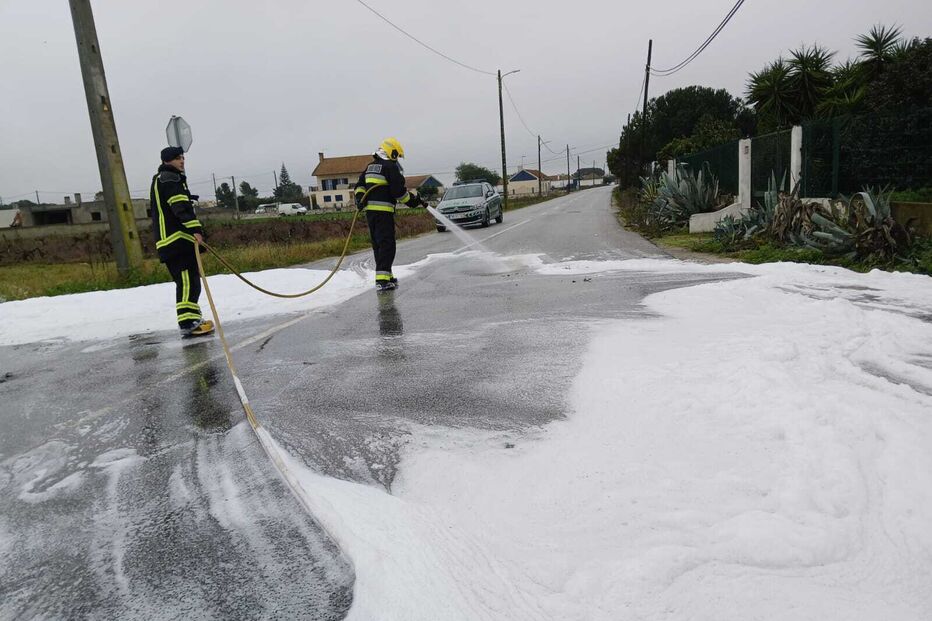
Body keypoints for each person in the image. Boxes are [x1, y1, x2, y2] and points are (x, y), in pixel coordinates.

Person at [150, 146, 214, 338]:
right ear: (167, 161)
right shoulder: (171, 179)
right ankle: (188, 322)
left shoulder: (162, 179)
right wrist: (195, 230)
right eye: (178, 158)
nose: (182, 161)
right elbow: (179, 207)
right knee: (187, 282)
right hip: (176, 241)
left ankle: (193, 318)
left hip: (174, 241)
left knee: (191, 281)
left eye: (182, 158)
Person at [354, 137, 425, 292]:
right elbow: (399, 192)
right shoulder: (390, 168)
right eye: (397, 156)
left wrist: (359, 199)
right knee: (387, 246)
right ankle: (382, 281)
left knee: (379, 246)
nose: (397, 160)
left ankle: (387, 276)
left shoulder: (370, 167)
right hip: (384, 214)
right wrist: (413, 201)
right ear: (391, 152)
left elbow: (359, 186)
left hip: (371, 215)